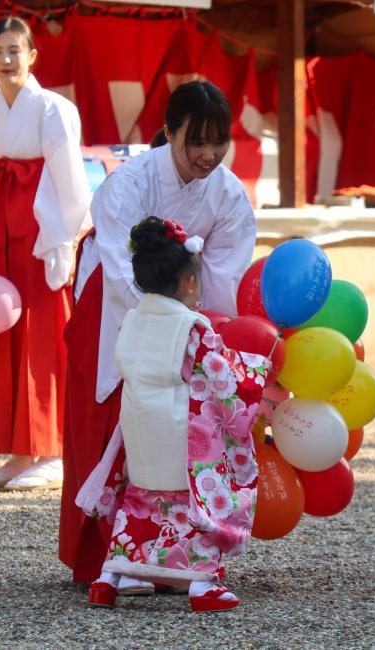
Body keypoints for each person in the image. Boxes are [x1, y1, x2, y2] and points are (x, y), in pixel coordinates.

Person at [59, 80, 257, 584]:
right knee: (109, 414)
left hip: (186, 315)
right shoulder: (129, 182)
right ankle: (105, 557)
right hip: (115, 304)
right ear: (169, 132)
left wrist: (206, 340)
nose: (208, 155)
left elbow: (222, 279)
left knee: (181, 426)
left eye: (219, 141)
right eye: (196, 140)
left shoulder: (230, 195)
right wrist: (167, 326)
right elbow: (119, 267)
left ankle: (173, 554)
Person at [78, 216, 267, 611]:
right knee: (190, 504)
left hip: (139, 427)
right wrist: (257, 374)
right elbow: (224, 381)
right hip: (181, 435)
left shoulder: (131, 318)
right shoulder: (191, 326)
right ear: (189, 282)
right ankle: (201, 584)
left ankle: (111, 576)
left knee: (141, 500)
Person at [0, 17, 91, 490]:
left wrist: (64, 237)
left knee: (42, 334)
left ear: (33, 56)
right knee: (5, 339)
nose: (7, 59)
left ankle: (52, 448)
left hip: (41, 227)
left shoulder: (54, 109)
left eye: (15, 50)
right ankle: (17, 452)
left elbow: (70, 179)